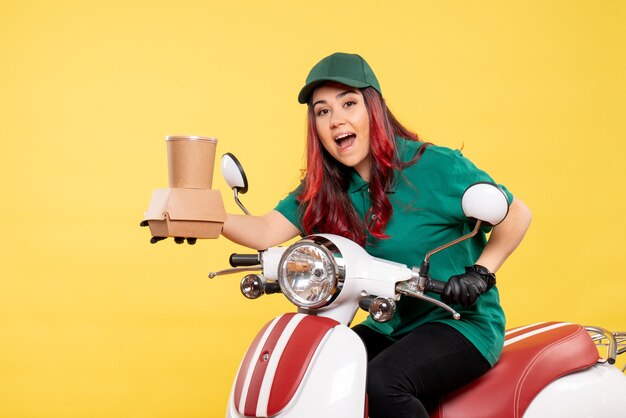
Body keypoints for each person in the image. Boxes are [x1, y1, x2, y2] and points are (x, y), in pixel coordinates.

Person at [222, 52, 532, 418]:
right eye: (323, 111)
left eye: (349, 104)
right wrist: (201, 216)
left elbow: (516, 213)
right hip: (388, 325)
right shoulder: (326, 187)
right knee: (320, 367)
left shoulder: (434, 167)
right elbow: (265, 230)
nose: (337, 120)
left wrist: (481, 272)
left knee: (384, 381)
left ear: (375, 108)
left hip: (458, 323)